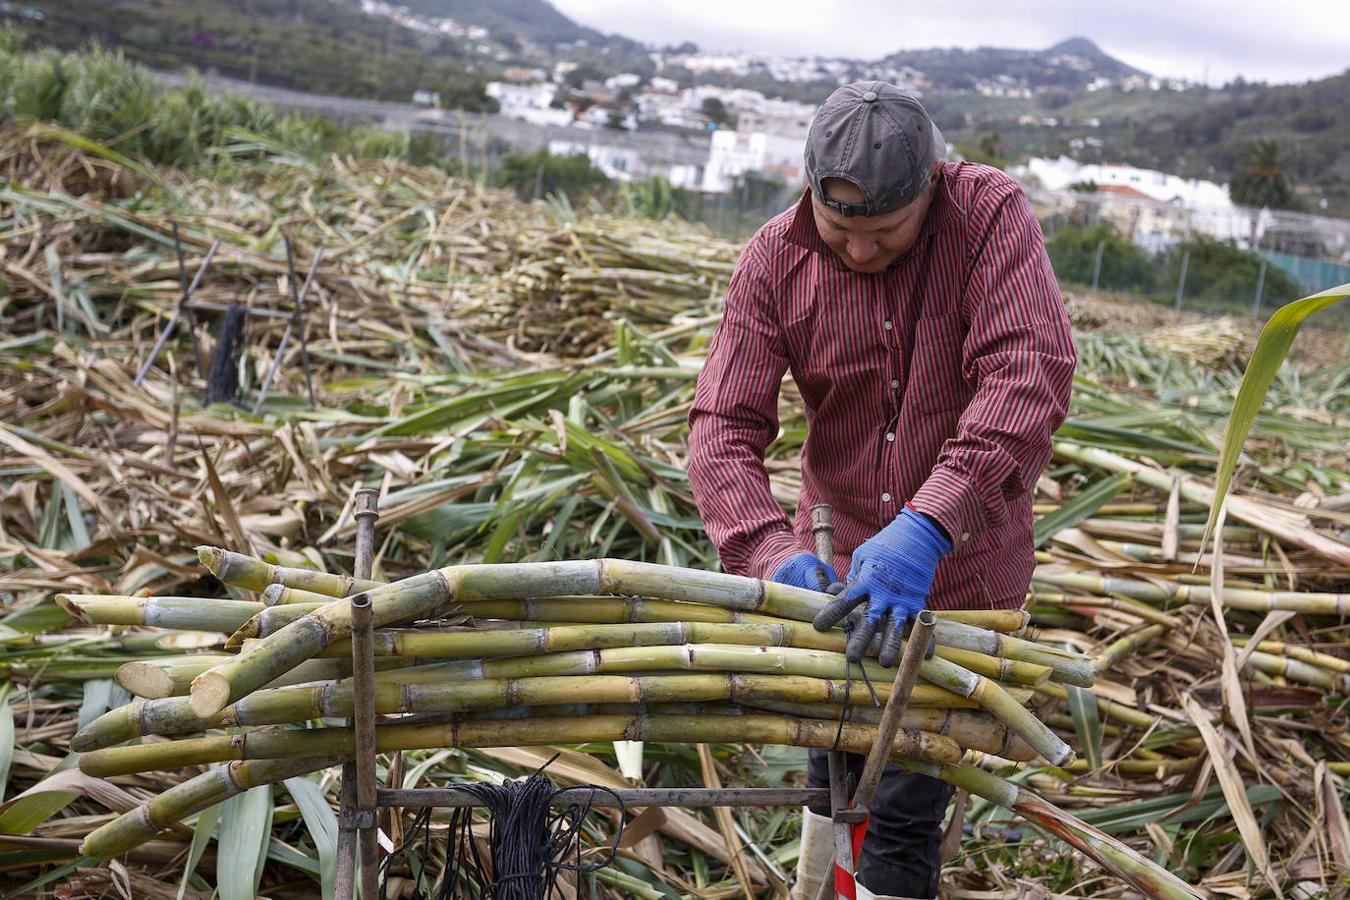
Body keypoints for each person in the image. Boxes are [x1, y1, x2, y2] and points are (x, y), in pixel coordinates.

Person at [686, 81, 1076, 900]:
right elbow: (722, 425)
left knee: (902, 798)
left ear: (931, 188)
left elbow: (1028, 374)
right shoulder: (773, 257)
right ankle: (820, 886)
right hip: (830, 574)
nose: (860, 253)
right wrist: (765, 547)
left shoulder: (989, 218)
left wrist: (930, 523)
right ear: (810, 195)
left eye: (885, 234)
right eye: (840, 232)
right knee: (830, 767)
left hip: (957, 579)